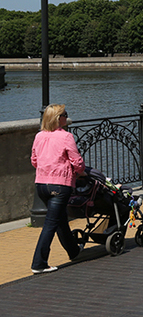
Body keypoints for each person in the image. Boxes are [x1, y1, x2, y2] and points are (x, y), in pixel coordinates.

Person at [30, 104, 85, 274]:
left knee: (60, 219)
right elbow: (77, 162)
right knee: (50, 224)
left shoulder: (39, 136)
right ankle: (39, 263)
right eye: (64, 115)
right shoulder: (66, 136)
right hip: (60, 185)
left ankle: (73, 251)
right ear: (58, 119)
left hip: (41, 185)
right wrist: (79, 171)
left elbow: (34, 160)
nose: (66, 117)